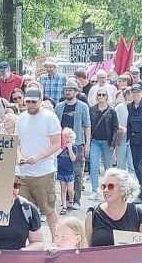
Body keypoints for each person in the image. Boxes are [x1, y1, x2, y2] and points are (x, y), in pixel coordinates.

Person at [15, 88, 62, 237]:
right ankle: (28, 242)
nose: (30, 105)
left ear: (41, 100)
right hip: (24, 172)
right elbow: (16, 143)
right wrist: (19, 157)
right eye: (28, 102)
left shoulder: (50, 117)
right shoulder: (21, 118)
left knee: (48, 209)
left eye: (33, 102)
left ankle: (57, 240)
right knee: (23, 210)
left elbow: (56, 144)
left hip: (44, 172)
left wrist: (38, 157)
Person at [57, 80, 90, 208]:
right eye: (66, 90)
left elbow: (87, 125)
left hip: (78, 143)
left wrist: (87, 144)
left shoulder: (83, 107)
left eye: (70, 90)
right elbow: (56, 126)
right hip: (62, 145)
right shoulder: (59, 107)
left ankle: (76, 200)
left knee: (77, 173)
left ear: (76, 92)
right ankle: (65, 201)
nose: (68, 92)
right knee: (63, 173)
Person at [88, 86, 118, 201]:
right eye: (99, 94)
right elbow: (88, 125)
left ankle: (108, 190)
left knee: (108, 168)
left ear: (107, 96)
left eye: (103, 95)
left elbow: (115, 128)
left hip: (107, 142)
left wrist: (113, 144)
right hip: (94, 141)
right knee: (94, 166)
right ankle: (95, 190)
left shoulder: (112, 111)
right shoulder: (92, 109)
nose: (101, 97)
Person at [57, 128, 77, 214]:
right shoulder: (61, 148)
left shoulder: (74, 148)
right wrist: (62, 147)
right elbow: (56, 155)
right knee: (63, 189)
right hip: (61, 171)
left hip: (70, 171)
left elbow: (73, 159)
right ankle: (64, 206)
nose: (68, 139)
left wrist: (69, 149)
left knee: (70, 189)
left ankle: (71, 201)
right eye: (66, 137)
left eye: (70, 137)